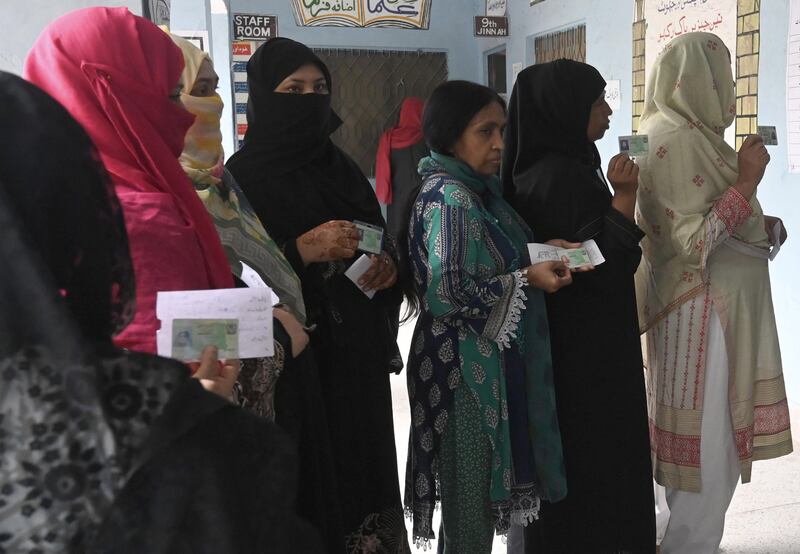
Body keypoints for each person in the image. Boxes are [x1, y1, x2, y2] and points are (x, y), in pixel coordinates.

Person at [0, 70, 320, 553]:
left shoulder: (210, 190)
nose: (188, 113)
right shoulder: (142, 424)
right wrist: (196, 415)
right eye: (180, 93)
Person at [226, 38, 410, 550]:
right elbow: (233, 277)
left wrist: (388, 267)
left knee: (362, 466)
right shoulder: (241, 179)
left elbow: (378, 235)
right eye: (293, 90)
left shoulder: (340, 166)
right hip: (299, 364)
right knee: (312, 479)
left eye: (319, 88)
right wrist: (301, 250)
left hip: (356, 359)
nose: (309, 100)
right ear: (264, 96)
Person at [169, 33, 344, 552]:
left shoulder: (219, 185)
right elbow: (164, 330)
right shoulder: (151, 203)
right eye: (193, 91)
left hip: (304, 371)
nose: (213, 105)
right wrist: (272, 329)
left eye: (215, 89)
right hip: (216, 414)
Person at [635, 32, 792, 554]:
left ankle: (675, 536)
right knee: (708, 437)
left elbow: (703, 221)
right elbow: (694, 244)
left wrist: (758, 222)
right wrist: (747, 183)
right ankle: (690, 545)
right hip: (703, 312)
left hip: (696, 307)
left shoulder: (680, 134)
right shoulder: (676, 140)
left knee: (685, 429)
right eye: (723, 76)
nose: (729, 90)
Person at [405, 80, 575, 553]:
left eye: (502, 129)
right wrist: (526, 279)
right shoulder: (454, 198)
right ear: (450, 135)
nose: (500, 143)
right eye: (485, 132)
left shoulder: (472, 191)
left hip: (470, 364)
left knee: (468, 509)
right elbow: (448, 292)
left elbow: (487, 259)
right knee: (470, 515)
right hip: (462, 375)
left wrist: (540, 253)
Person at [502, 59, 656, 553]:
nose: (608, 111)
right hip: (585, 351)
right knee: (594, 456)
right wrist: (625, 198)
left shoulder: (549, 167)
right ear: (565, 110)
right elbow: (602, 266)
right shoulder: (560, 176)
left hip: (566, 342)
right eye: (596, 103)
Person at [24, 6, 234, 355]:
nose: (184, 114)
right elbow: (190, 361)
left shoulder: (28, 203)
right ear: (110, 96)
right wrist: (272, 336)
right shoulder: (139, 217)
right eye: (172, 96)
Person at [375, 97, 429, 299]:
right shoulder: (426, 137)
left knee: (399, 236)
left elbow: (383, 169)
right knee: (422, 235)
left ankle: (402, 279)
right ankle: (421, 279)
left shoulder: (389, 138)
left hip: (398, 197)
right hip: (422, 195)